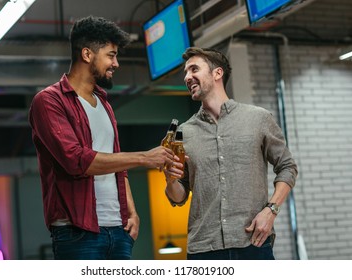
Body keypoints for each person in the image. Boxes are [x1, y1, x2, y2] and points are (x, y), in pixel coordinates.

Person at [28, 16, 174, 260]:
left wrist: (132, 212)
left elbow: (117, 163)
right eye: (111, 55)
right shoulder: (49, 101)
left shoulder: (104, 103)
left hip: (119, 230)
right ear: (87, 54)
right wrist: (144, 158)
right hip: (76, 232)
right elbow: (76, 161)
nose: (116, 63)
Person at [164, 47, 298, 260]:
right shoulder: (183, 132)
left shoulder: (258, 118)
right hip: (203, 250)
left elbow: (287, 167)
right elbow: (179, 196)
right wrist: (170, 180)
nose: (187, 77)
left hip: (252, 242)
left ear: (217, 73)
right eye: (186, 73)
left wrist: (271, 210)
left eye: (194, 69)